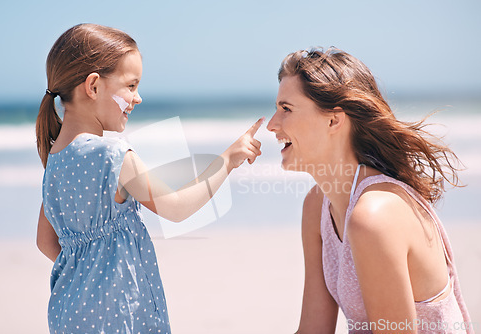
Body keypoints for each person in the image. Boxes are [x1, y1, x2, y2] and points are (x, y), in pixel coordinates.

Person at [35, 23, 263, 334]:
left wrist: (87, 273)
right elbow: (177, 208)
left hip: (69, 312)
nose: (138, 98)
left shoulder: (55, 162)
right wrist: (229, 160)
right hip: (120, 315)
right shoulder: (112, 156)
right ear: (93, 86)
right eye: (131, 86)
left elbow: (45, 241)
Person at [267, 47, 473, 334]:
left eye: (286, 109)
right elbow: (313, 329)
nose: (271, 125)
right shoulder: (317, 206)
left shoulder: (375, 215)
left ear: (333, 120)